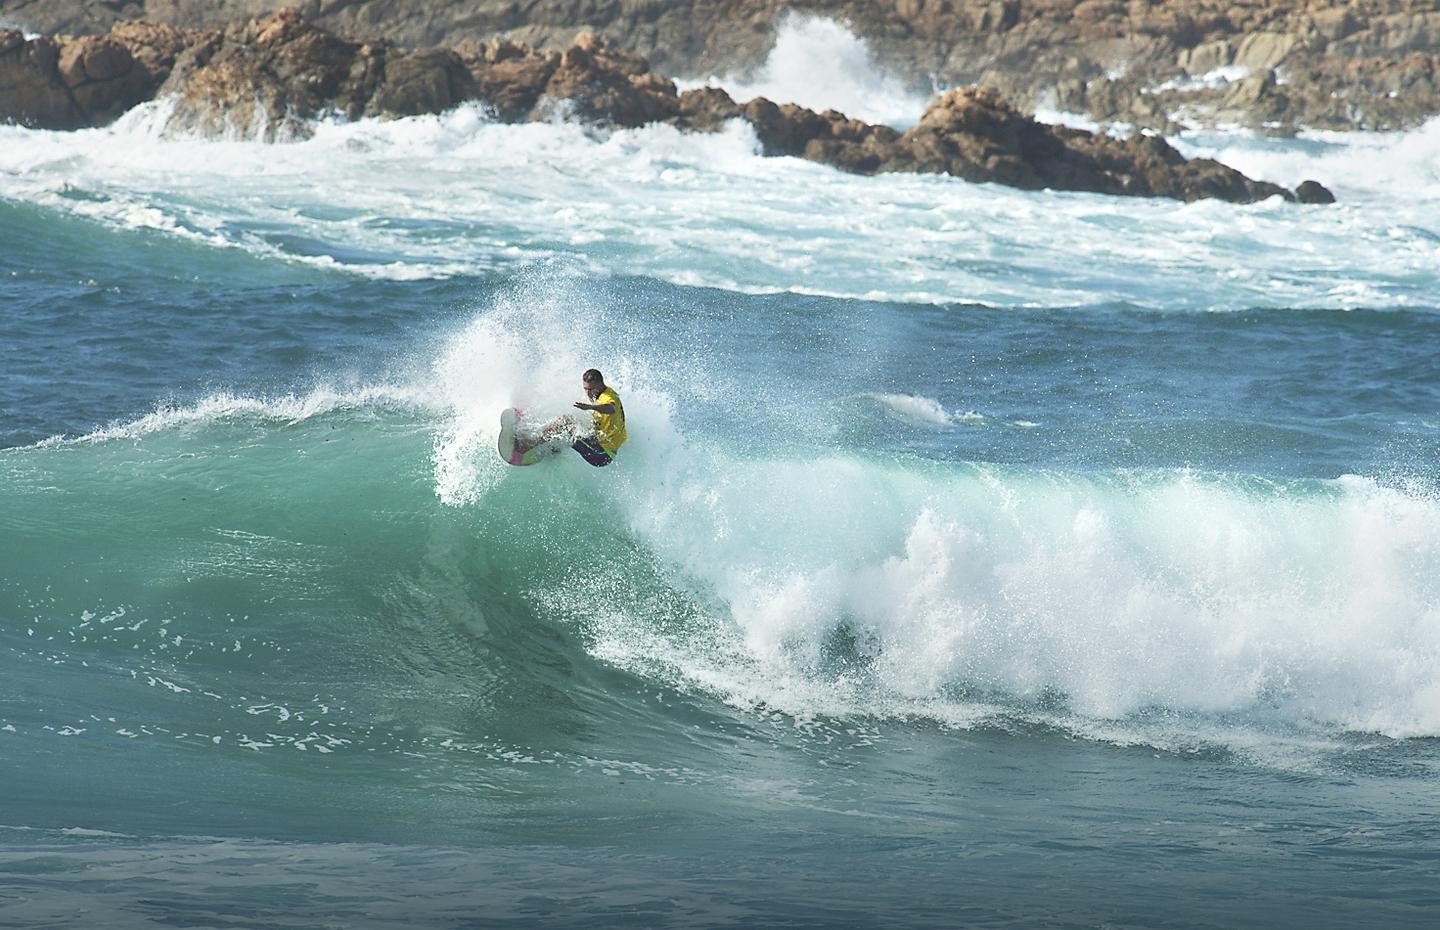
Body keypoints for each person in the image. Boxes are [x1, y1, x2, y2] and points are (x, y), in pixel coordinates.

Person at [534, 368, 626, 466]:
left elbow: (611, 408)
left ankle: (532, 443)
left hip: (602, 454)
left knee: (567, 424)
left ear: (600, 384)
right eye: (585, 389)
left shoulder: (607, 397)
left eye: (591, 389)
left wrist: (590, 407)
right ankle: (552, 452)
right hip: (599, 444)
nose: (588, 393)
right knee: (571, 427)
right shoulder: (601, 393)